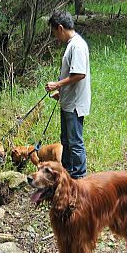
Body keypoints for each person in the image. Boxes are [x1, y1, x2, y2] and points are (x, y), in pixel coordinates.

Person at [45, 11, 91, 179]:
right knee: (66, 141)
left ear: (61, 28)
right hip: (68, 102)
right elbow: (73, 76)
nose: (56, 37)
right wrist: (61, 92)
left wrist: (57, 84)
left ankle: (79, 179)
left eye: (55, 32)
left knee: (75, 143)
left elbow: (79, 74)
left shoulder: (77, 45)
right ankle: (67, 176)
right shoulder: (72, 44)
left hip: (75, 105)